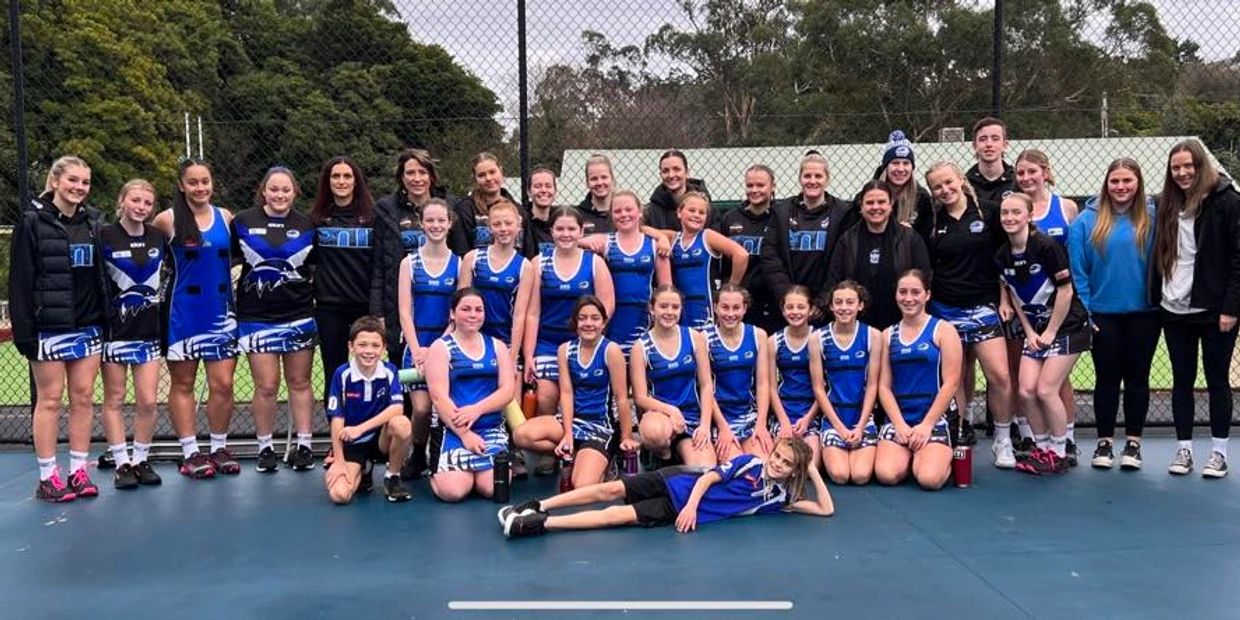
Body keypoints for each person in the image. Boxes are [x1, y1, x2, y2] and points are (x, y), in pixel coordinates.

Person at [498, 437, 833, 538]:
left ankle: (540, 524)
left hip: (675, 509)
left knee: (616, 515)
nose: (777, 463)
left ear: (794, 470)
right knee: (608, 490)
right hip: (677, 483)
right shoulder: (750, 462)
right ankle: (539, 504)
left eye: (787, 464)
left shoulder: (780, 498)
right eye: (777, 456)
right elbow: (707, 478)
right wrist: (692, 508)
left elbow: (824, 509)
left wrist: (811, 470)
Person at [10, 156, 107, 501]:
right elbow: (20, 280)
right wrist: (25, 331)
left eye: (85, 182)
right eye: (72, 180)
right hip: (49, 328)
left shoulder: (94, 222)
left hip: (89, 326)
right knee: (50, 400)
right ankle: (48, 477)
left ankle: (78, 471)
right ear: (55, 181)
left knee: (83, 397)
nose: (79, 187)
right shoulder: (32, 222)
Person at [1150, 139, 1240, 478]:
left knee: (1217, 380)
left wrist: (1231, 307)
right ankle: (1184, 449)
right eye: (1176, 167)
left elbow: (1238, 259)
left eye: (1189, 165)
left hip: (1215, 310)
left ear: (1201, 165)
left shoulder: (1228, 202)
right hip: (1174, 309)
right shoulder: (1167, 203)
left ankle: (1219, 453)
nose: (1183, 172)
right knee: (1182, 381)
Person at [151, 158, 239, 479]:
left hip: (221, 312)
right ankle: (190, 452)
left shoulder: (226, 217)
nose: (200, 187)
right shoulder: (166, 220)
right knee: (183, 383)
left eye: (205, 181)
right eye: (193, 182)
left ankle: (219, 447)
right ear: (181, 185)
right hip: (183, 313)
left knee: (223, 384)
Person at [1068, 159, 1158, 470]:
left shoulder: (1154, 218)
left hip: (1145, 313)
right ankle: (1104, 442)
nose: (1121, 187)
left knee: (1138, 378)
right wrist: (1087, 312)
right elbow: (1078, 272)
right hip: (1102, 314)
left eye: (1127, 181)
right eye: (1115, 181)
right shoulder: (1085, 221)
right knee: (1106, 378)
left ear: (1138, 183)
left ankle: (1133, 444)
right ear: (1106, 184)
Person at [921, 161, 1014, 462]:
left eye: (948, 182)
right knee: (955, 377)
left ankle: (1003, 439)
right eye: (937, 186)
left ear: (960, 179)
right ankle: (958, 431)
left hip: (983, 306)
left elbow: (1005, 259)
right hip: (945, 309)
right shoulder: (931, 221)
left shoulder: (989, 212)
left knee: (999, 375)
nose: (945, 189)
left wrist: (1004, 299)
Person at [997, 193, 1092, 476]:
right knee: (1026, 391)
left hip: (1067, 326)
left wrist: (1051, 331)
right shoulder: (1001, 255)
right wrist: (1029, 332)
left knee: (1046, 390)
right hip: (1036, 331)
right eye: (1005, 213)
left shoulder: (1047, 246)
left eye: (1016, 212)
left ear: (1029, 216)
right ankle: (1043, 448)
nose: (1010, 218)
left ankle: (1060, 452)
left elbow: (1066, 291)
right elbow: (1015, 296)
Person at [232, 167, 318, 473]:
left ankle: (304, 446)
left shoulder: (307, 225)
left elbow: (315, 268)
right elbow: (229, 261)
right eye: (274, 189)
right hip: (256, 316)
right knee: (267, 385)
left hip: (298, 314)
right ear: (264, 191)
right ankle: (265, 447)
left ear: (295, 192)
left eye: (286, 190)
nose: (280, 195)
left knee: (300, 382)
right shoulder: (242, 221)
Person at [513, 296, 638, 487]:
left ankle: (606, 460)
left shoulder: (611, 351)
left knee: (581, 485)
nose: (589, 323)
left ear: (604, 323)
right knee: (521, 435)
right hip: (573, 421)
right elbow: (566, 393)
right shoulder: (565, 350)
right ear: (575, 322)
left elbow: (622, 398)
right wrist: (568, 434)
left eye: (595, 318)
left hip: (600, 426)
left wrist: (626, 437)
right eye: (583, 318)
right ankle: (574, 454)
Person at [98, 179, 166, 489]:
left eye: (147, 203)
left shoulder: (159, 237)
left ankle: (140, 459)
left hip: (148, 332)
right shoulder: (104, 236)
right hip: (115, 331)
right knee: (114, 398)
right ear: (122, 201)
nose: (141, 207)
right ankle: (121, 462)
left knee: (148, 401)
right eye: (135, 200)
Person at [1013, 149, 1080, 448]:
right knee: (1027, 382)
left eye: (1032, 171)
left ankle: (1067, 440)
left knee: (1057, 380)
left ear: (1045, 172)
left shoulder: (1066, 208)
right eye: (1021, 173)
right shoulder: (1013, 210)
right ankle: (1038, 441)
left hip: (1062, 307)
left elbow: (1076, 257)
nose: (1026, 177)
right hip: (1028, 308)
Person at [425, 288, 518, 501]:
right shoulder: (441, 347)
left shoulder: (497, 346)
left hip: (490, 428)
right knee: (453, 492)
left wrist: (477, 410)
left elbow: (507, 391)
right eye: (466, 309)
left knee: (493, 489)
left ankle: (476, 473)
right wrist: (465, 435)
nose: (473, 315)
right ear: (452, 313)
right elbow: (439, 398)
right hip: (453, 429)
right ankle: (440, 469)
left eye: (478, 310)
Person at [523, 208, 615, 419]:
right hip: (548, 342)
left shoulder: (594, 262)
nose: (566, 234)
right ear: (551, 231)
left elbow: (606, 307)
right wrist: (528, 355)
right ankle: (550, 438)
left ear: (581, 231)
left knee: (577, 401)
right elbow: (532, 313)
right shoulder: (539, 263)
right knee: (545, 398)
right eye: (560, 229)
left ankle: (577, 437)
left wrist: (590, 337)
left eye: (572, 229)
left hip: (582, 342)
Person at [874, 270, 960, 490]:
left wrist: (927, 425)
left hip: (935, 417)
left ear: (927, 295)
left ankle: (939, 457)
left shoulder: (944, 330)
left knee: (929, 479)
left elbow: (951, 382)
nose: (908, 298)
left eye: (915, 292)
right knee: (886, 474)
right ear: (895, 295)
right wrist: (899, 425)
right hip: (901, 416)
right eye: (903, 292)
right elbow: (883, 387)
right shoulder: (887, 335)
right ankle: (912, 455)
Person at [397, 198, 460, 479]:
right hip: (417, 344)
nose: (436, 225)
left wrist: (437, 348)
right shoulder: (409, 263)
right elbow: (404, 311)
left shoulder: (459, 263)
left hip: (447, 343)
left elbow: (459, 312)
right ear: (421, 224)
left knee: (446, 405)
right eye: (430, 220)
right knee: (422, 409)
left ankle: (443, 455)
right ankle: (418, 453)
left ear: (450, 223)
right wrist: (417, 350)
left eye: (441, 220)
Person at [323, 316, 413, 504]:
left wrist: (360, 428)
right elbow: (337, 420)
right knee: (339, 495)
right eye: (362, 345)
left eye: (375, 345)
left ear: (384, 348)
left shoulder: (390, 371)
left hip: (381, 440)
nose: (369, 351)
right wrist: (339, 461)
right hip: (353, 443)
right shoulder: (342, 374)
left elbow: (397, 408)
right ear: (351, 347)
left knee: (402, 424)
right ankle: (364, 468)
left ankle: (392, 476)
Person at [372, 149, 450, 362]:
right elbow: (378, 266)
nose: (417, 178)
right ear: (401, 177)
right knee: (404, 365)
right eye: (410, 173)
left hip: (439, 305)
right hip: (397, 306)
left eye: (422, 172)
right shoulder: (385, 210)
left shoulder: (449, 207)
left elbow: (460, 258)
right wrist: (378, 313)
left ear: (431, 176)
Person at [312, 157, 377, 406]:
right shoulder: (316, 219)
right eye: (335, 176)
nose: (341, 181)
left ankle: (369, 424)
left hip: (365, 306)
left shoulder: (373, 217)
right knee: (335, 370)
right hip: (330, 307)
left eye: (347, 176)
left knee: (368, 368)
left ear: (356, 181)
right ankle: (336, 426)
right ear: (327, 182)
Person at [761, 152, 858, 317]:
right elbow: (770, 256)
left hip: (826, 308)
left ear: (827, 179)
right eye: (807, 176)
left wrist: (823, 301)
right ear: (800, 179)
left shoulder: (843, 212)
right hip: (788, 307)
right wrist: (789, 298)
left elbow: (842, 261)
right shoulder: (781, 211)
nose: (812, 181)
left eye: (818, 176)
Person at [632, 285, 718, 468]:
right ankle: (662, 455)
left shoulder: (694, 338)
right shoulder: (641, 347)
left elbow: (706, 385)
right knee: (654, 433)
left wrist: (705, 425)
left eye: (675, 307)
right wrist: (671, 411)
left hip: (692, 415)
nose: (669, 312)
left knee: (704, 469)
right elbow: (640, 397)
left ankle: (681, 454)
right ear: (652, 308)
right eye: (663, 306)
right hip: (660, 415)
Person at [828, 179, 931, 330]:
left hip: (900, 320)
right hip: (857, 324)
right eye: (870, 203)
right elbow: (834, 280)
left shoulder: (909, 238)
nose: (876, 207)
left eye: (881, 202)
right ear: (861, 206)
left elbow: (925, 278)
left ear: (891, 204)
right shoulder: (847, 240)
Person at [579, 190, 671, 353]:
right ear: (611, 215)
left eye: (629, 209)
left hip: (644, 317)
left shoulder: (654, 245)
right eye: (617, 211)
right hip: (614, 317)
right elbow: (570, 242)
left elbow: (666, 288)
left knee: (641, 361)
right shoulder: (606, 242)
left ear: (640, 212)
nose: (623, 215)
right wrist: (586, 243)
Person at [809, 281, 882, 485]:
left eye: (850, 302)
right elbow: (818, 388)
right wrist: (840, 428)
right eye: (838, 302)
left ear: (860, 305)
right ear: (831, 306)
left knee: (860, 476)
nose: (844, 307)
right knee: (840, 475)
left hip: (862, 419)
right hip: (834, 420)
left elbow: (873, 385)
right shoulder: (817, 338)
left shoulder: (873, 336)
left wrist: (861, 426)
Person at [458, 200, 534, 367]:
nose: (503, 228)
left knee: (509, 383)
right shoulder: (473, 258)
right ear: (489, 227)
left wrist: (513, 355)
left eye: (508, 223)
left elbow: (519, 315)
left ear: (518, 225)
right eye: (497, 224)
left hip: (505, 339)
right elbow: (460, 306)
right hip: (474, 336)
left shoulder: (525, 266)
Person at [702, 284, 772, 460]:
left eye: (736, 307)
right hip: (719, 417)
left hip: (749, 415)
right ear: (715, 307)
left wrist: (761, 424)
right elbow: (705, 387)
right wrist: (722, 427)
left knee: (762, 465)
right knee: (736, 465)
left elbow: (763, 383)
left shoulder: (758, 335)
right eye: (725, 307)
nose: (730, 313)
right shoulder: (704, 338)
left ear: (745, 308)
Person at [670, 192, 748, 329]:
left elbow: (741, 255)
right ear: (679, 212)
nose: (696, 215)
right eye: (692, 210)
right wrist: (662, 240)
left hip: (706, 307)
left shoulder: (707, 236)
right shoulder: (674, 238)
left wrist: (730, 288)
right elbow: (645, 230)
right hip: (682, 307)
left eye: (702, 212)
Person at [716, 164, 779, 331]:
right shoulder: (730, 218)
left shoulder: (781, 217)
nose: (754, 190)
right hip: (737, 303)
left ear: (773, 186)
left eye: (760, 185)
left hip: (771, 302)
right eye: (750, 185)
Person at [768, 287, 820, 464]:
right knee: (779, 462)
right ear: (783, 310)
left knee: (809, 464)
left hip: (811, 413)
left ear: (810, 309)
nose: (795, 312)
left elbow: (823, 388)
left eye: (801, 307)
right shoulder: (774, 341)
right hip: (784, 411)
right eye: (790, 307)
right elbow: (771, 388)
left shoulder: (819, 338)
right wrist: (783, 421)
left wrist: (807, 419)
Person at [449, 152, 518, 255]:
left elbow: (527, 252)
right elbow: (461, 252)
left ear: (501, 171)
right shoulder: (464, 210)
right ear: (475, 179)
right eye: (481, 175)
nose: (488, 178)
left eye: (492, 172)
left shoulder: (517, 210)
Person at [872, 130, 932, 228]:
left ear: (912, 168)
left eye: (906, 163)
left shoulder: (921, 198)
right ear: (886, 167)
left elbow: (927, 235)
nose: (900, 169)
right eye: (895, 163)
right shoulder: (869, 195)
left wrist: (910, 234)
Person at [646, 149, 713, 231]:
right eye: (665, 171)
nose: (671, 175)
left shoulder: (705, 206)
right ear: (661, 175)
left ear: (687, 173)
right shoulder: (651, 211)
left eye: (676, 169)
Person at [965, 117, 1017, 205]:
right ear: (974, 146)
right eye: (983, 139)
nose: (989, 144)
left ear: (1005, 145)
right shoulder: (965, 184)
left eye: (995, 139)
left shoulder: (1016, 181)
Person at [577, 154, 618, 235]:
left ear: (612, 179)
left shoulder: (624, 212)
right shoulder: (577, 215)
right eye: (594, 179)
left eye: (604, 177)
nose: (599, 183)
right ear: (587, 183)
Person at [523, 166, 559, 257]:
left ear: (555, 191)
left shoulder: (562, 220)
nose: (543, 190)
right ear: (529, 192)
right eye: (537, 186)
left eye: (548, 186)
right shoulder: (522, 221)